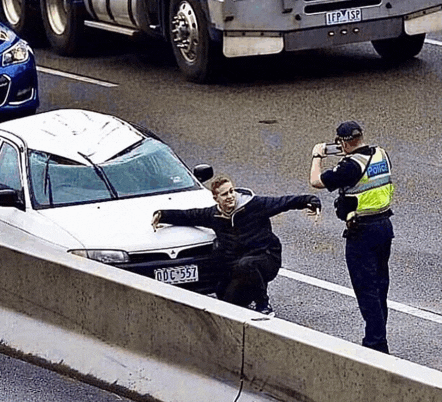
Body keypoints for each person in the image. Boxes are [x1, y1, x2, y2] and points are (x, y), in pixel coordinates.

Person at [152, 176, 321, 315]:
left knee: (246, 265)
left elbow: (285, 202)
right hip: (240, 266)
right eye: (225, 194)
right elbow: (190, 215)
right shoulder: (213, 215)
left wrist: (311, 201)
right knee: (227, 301)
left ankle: (263, 304)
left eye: (232, 191)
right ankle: (248, 291)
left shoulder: (254, 205)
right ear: (216, 198)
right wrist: (162, 215)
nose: (231, 196)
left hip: (267, 257)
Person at [309, 120, 394, 354]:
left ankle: (376, 344)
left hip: (362, 231)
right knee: (380, 287)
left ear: (343, 142)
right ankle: (378, 335)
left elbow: (316, 181)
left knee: (366, 289)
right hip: (384, 226)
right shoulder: (381, 154)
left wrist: (317, 156)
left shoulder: (350, 166)